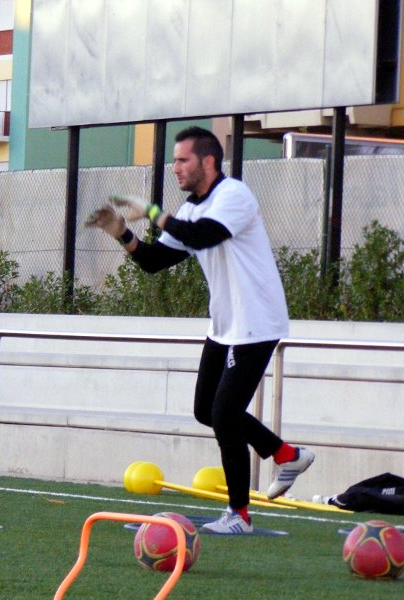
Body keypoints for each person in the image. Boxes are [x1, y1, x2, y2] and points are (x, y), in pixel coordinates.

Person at [90, 125, 315, 535]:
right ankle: (285, 454)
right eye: (174, 160)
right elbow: (155, 261)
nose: (175, 167)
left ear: (208, 161)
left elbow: (205, 236)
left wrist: (154, 212)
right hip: (225, 324)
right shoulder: (189, 210)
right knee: (205, 410)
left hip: (256, 321)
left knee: (224, 414)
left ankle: (239, 516)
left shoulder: (234, 196)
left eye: (183, 160)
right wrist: (122, 232)